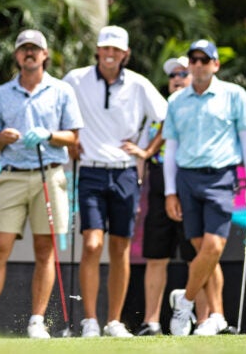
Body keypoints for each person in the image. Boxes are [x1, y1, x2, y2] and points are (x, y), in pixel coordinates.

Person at [0, 29, 84, 340]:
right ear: (17, 56)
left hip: (49, 174)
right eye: (24, 49)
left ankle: (37, 322)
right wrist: (2, 137)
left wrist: (49, 135)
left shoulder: (62, 91)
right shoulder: (2, 93)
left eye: (35, 49)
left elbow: (74, 136)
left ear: (45, 55)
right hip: (12, 175)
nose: (29, 53)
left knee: (44, 250)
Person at [62, 25, 167, 338]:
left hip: (125, 172)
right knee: (92, 244)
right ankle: (90, 321)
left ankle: (113, 322)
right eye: (105, 48)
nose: (110, 54)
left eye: (116, 50)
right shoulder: (75, 79)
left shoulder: (139, 84)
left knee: (120, 249)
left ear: (125, 54)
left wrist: (147, 151)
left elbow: (167, 117)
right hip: (91, 171)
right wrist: (71, 142)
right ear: (97, 50)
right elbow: (59, 113)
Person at [164, 39, 246, 337]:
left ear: (216, 65)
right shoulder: (176, 102)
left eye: (204, 60)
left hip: (220, 177)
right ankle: (216, 316)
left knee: (213, 247)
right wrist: (170, 192)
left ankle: (185, 300)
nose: (198, 65)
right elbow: (171, 149)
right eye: (193, 60)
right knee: (203, 253)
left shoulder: (235, 95)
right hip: (187, 179)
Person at [125, 56, 216, 336]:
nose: (177, 79)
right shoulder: (155, 115)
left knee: (197, 257)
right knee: (156, 257)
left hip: (191, 189)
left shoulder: (199, 110)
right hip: (158, 193)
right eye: (173, 75)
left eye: (183, 74)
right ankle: (151, 322)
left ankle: (204, 321)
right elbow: (142, 156)